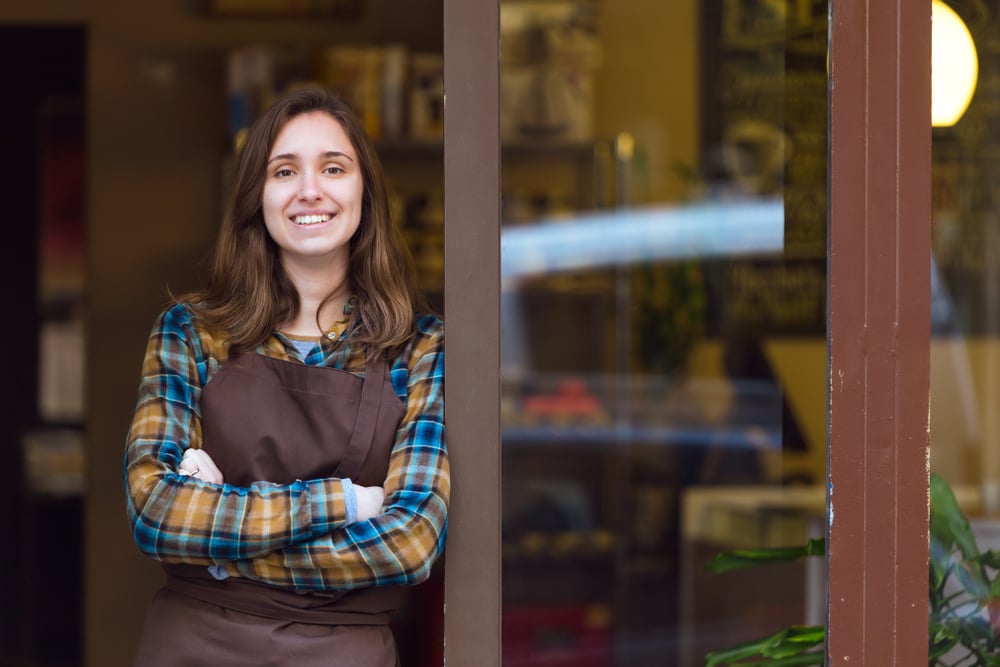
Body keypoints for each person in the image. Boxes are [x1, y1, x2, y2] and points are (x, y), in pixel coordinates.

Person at [123, 87, 448, 666]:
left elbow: (409, 544)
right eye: (283, 171)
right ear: (258, 197)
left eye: (333, 167)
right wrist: (348, 503)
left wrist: (221, 549)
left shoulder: (419, 348)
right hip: (195, 649)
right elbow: (155, 512)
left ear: (365, 192)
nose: (309, 191)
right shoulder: (191, 333)